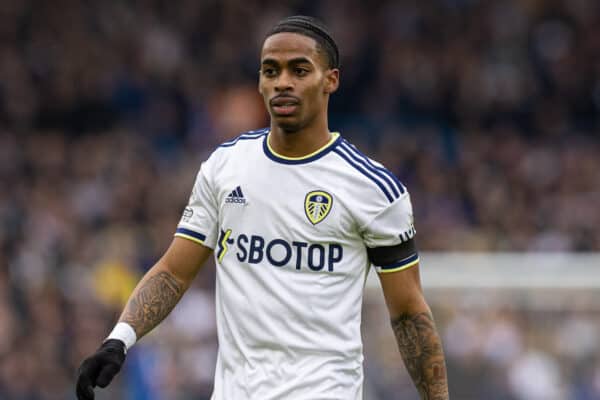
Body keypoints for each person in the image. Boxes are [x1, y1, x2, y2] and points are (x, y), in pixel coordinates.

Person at [76, 15, 449, 400]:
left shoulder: (372, 189)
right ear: (259, 81)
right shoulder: (225, 167)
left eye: (299, 69)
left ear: (331, 80)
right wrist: (119, 339)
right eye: (271, 70)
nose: (282, 81)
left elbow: (408, 314)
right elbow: (173, 272)